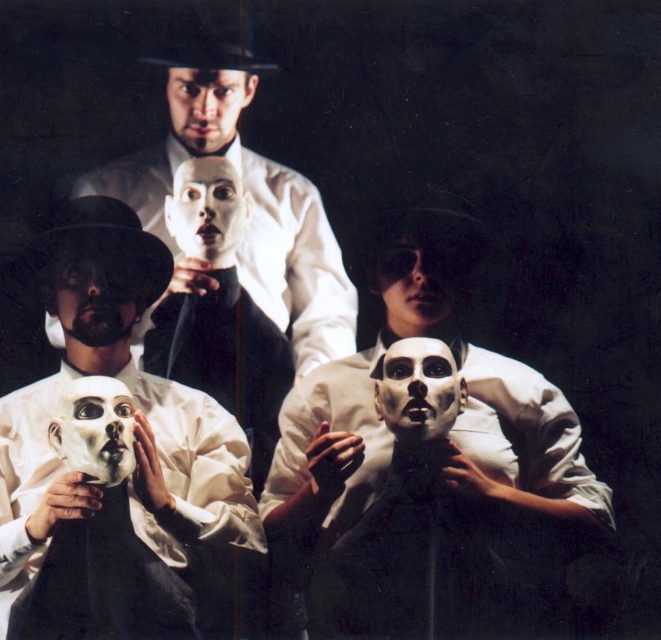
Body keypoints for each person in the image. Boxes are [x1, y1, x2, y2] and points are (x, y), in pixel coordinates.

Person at [259, 203, 615, 637]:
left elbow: (594, 525)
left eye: (439, 258)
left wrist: (492, 494)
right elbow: (268, 536)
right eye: (401, 260)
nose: (421, 275)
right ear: (374, 276)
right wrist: (318, 491)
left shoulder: (521, 389)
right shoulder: (324, 391)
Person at [0, 196, 266, 640]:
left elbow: (250, 550)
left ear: (142, 299)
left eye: (115, 274)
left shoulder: (201, 417)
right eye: (77, 273)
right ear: (50, 297)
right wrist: (32, 528)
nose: (96, 288)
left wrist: (170, 508)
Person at [59, 34, 358, 377]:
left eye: (223, 90)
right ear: (167, 85)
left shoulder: (292, 194)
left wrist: (310, 391)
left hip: (261, 392)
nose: (204, 109)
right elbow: (60, 318)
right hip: (138, 389)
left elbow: (328, 312)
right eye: (189, 88)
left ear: (249, 90)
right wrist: (143, 298)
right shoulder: (104, 192)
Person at [143, 156, 295, 495]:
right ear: (170, 214)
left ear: (247, 209)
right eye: (191, 195)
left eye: (223, 193)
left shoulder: (267, 342)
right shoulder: (152, 322)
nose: (206, 209)